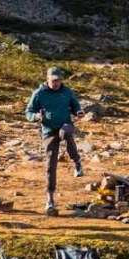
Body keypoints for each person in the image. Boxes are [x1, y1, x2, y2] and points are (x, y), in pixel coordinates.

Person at [25, 66, 83, 216]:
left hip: (65, 124)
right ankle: (50, 198)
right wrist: (35, 117)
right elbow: (29, 111)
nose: (56, 83)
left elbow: (75, 105)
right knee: (51, 163)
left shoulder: (67, 92)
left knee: (65, 133)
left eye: (58, 80)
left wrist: (78, 112)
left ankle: (77, 162)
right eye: (53, 80)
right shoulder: (39, 93)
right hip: (48, 130)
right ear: (48, 79)